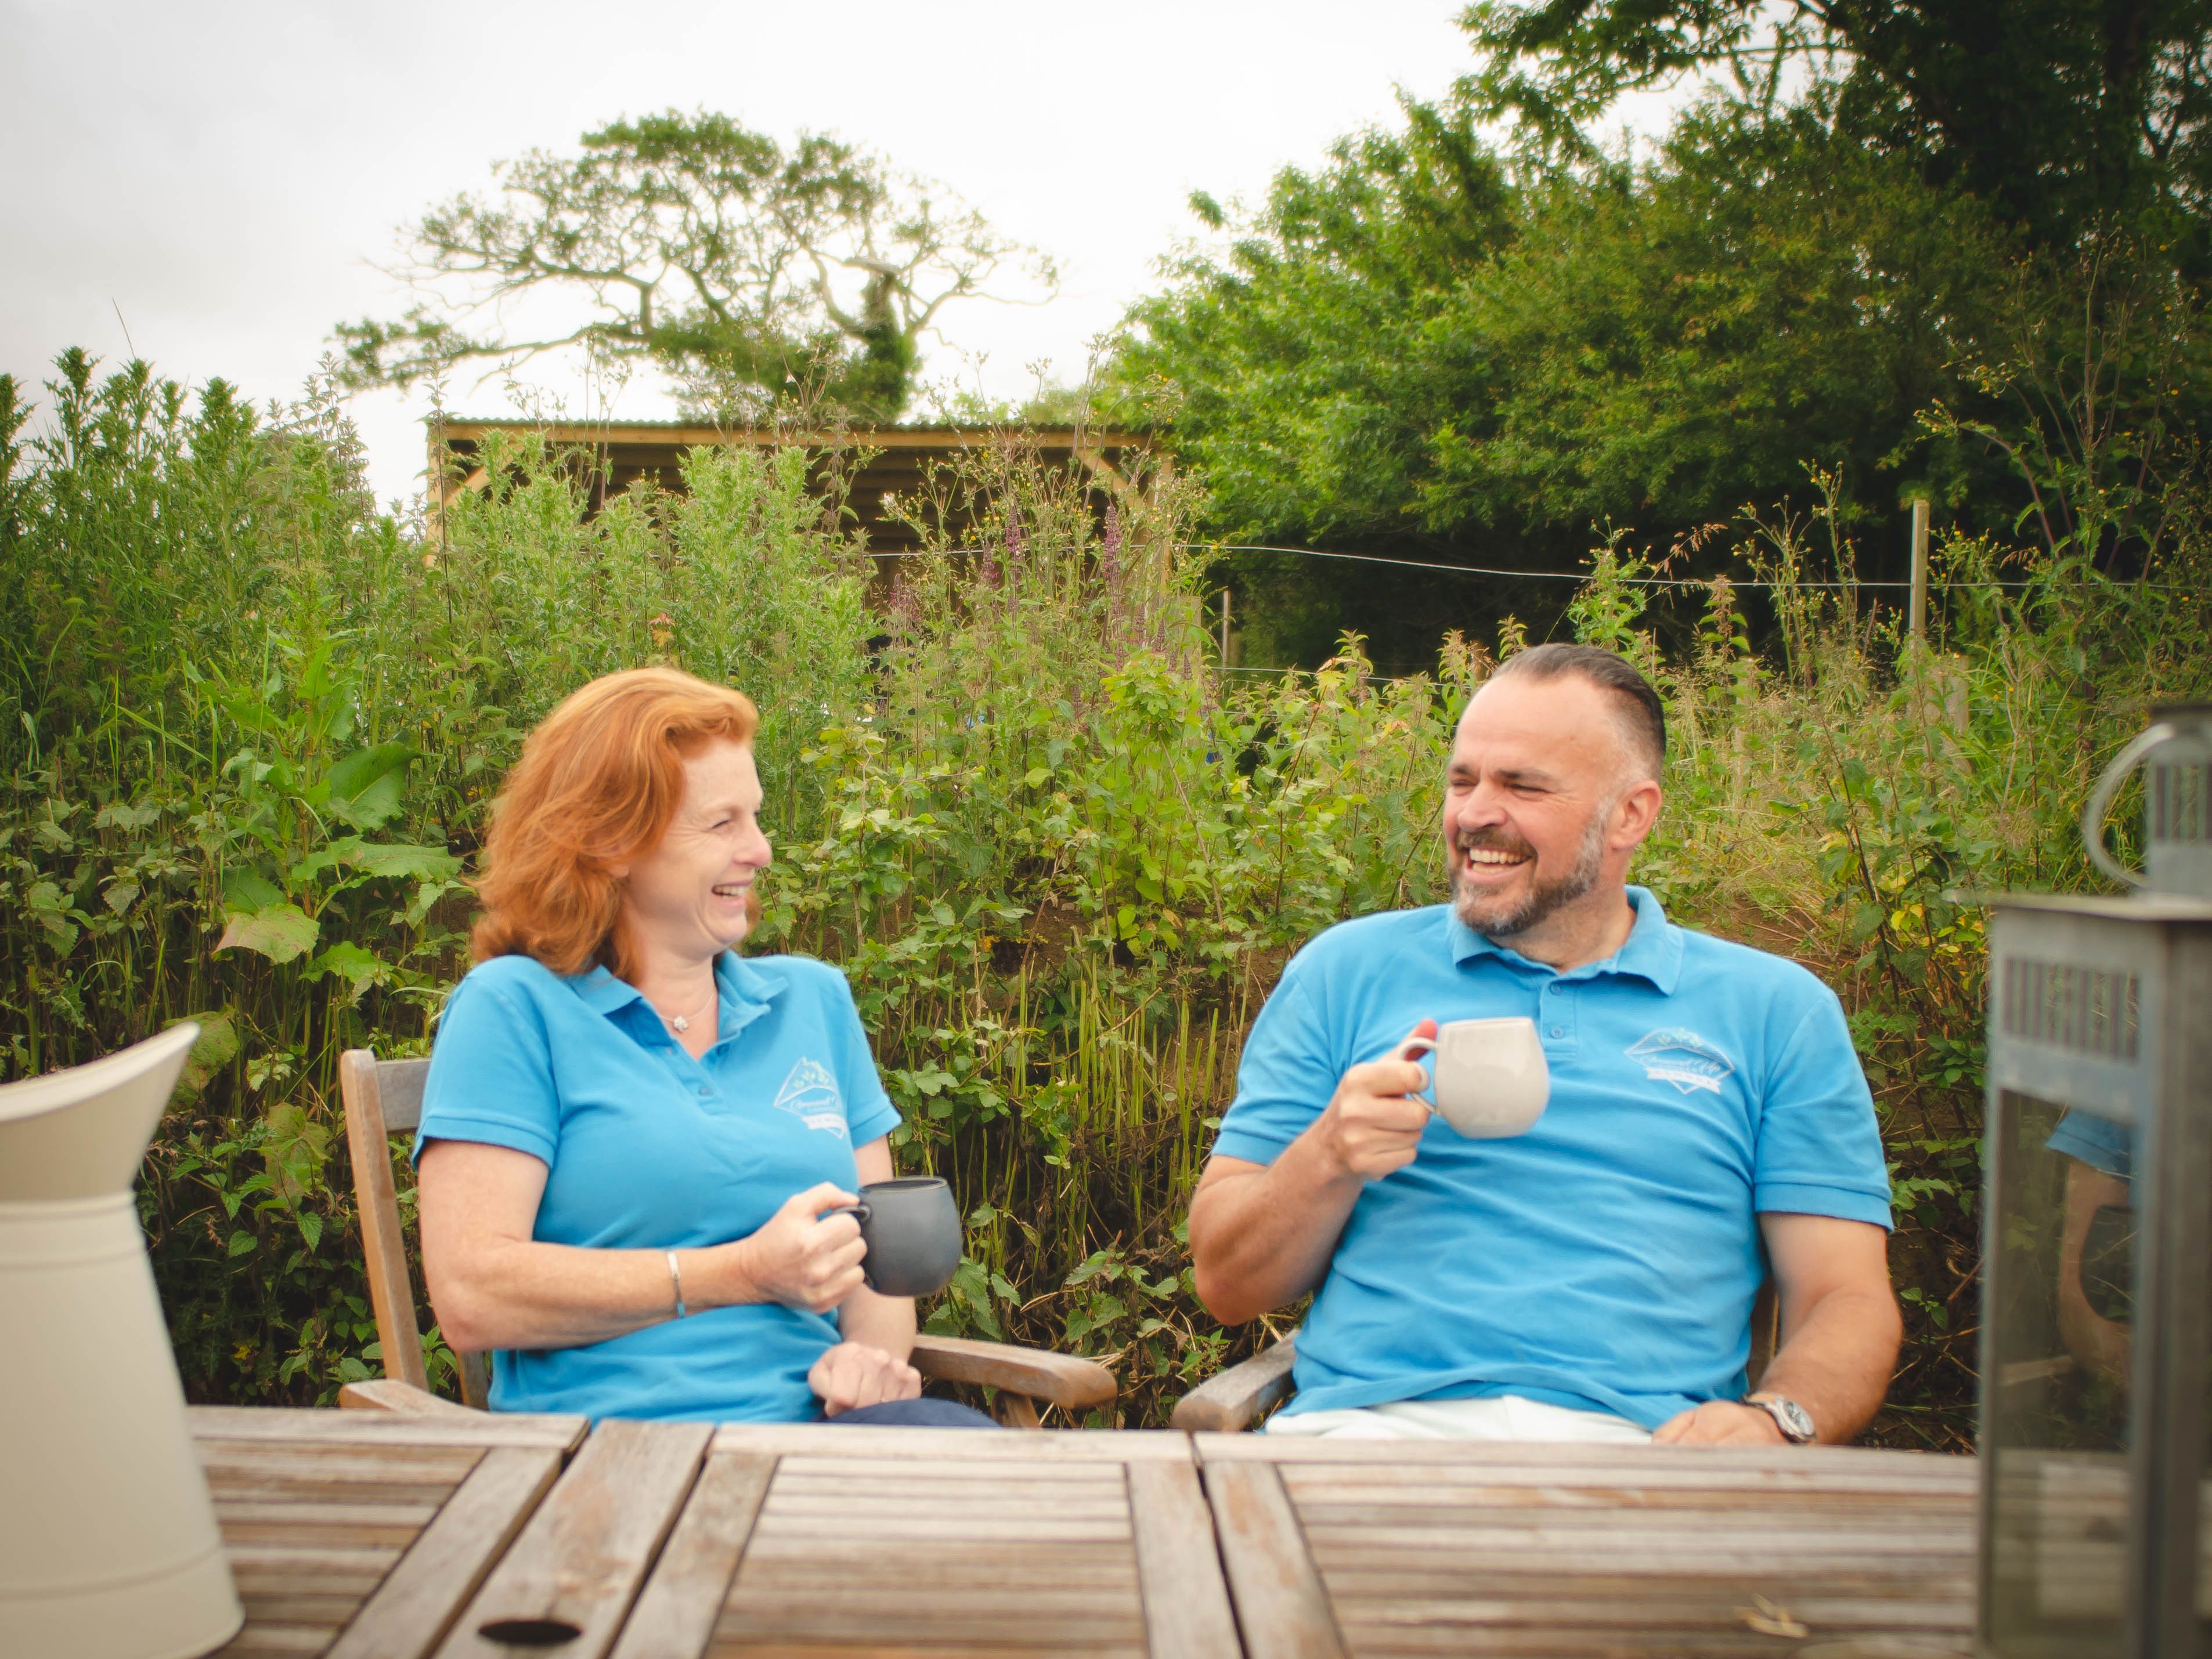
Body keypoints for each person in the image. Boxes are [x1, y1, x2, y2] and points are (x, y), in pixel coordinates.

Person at [1187, 644, 1903, 1444]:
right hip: (1367, 1443)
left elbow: (1846, 1299)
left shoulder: (1777, 1012)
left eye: (1522, 786)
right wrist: (1328, 1155)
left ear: (1631, 813)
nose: (1473, 814)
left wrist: (1777, 1422)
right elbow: (1225, 1284)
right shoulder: (1343, 972)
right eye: (1463, 780)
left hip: (1641, 1460)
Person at [414, 666, 989, 1425]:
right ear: (611, 839)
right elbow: (473, 1295)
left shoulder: (813, 1001)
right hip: (612, 1457)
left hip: (823, 1439)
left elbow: (873, 1268)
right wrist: (739, 1273)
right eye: (723, 824)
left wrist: (871, 1360)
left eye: (756, 818)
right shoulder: (514, 1010)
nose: (761, 850)